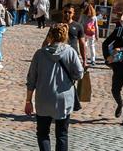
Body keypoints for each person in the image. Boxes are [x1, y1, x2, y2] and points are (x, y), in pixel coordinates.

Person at [25, 23, 84, 151]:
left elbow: (31, 80)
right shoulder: (71, 52)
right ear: (65, 36)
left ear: (49, 36)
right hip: (64, 98)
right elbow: (79, 73)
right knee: (62, 135)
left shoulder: (39, 54)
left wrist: (28, 101)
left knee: (43, 134)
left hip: (44, 98)